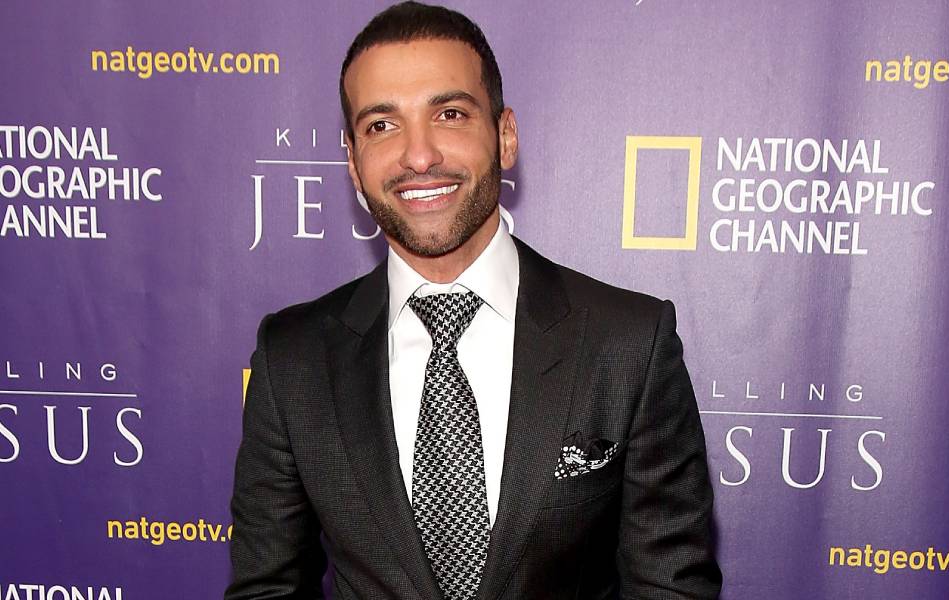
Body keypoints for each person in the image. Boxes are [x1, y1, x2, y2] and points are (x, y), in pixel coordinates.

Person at [226, 2, 722, 599]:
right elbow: (266, 589)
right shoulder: (293, 359)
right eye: (381, 125)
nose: (418, 155)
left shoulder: (629, 343)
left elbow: (670, 588)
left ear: (505, 135)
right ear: (353, 164)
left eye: (450, 114)